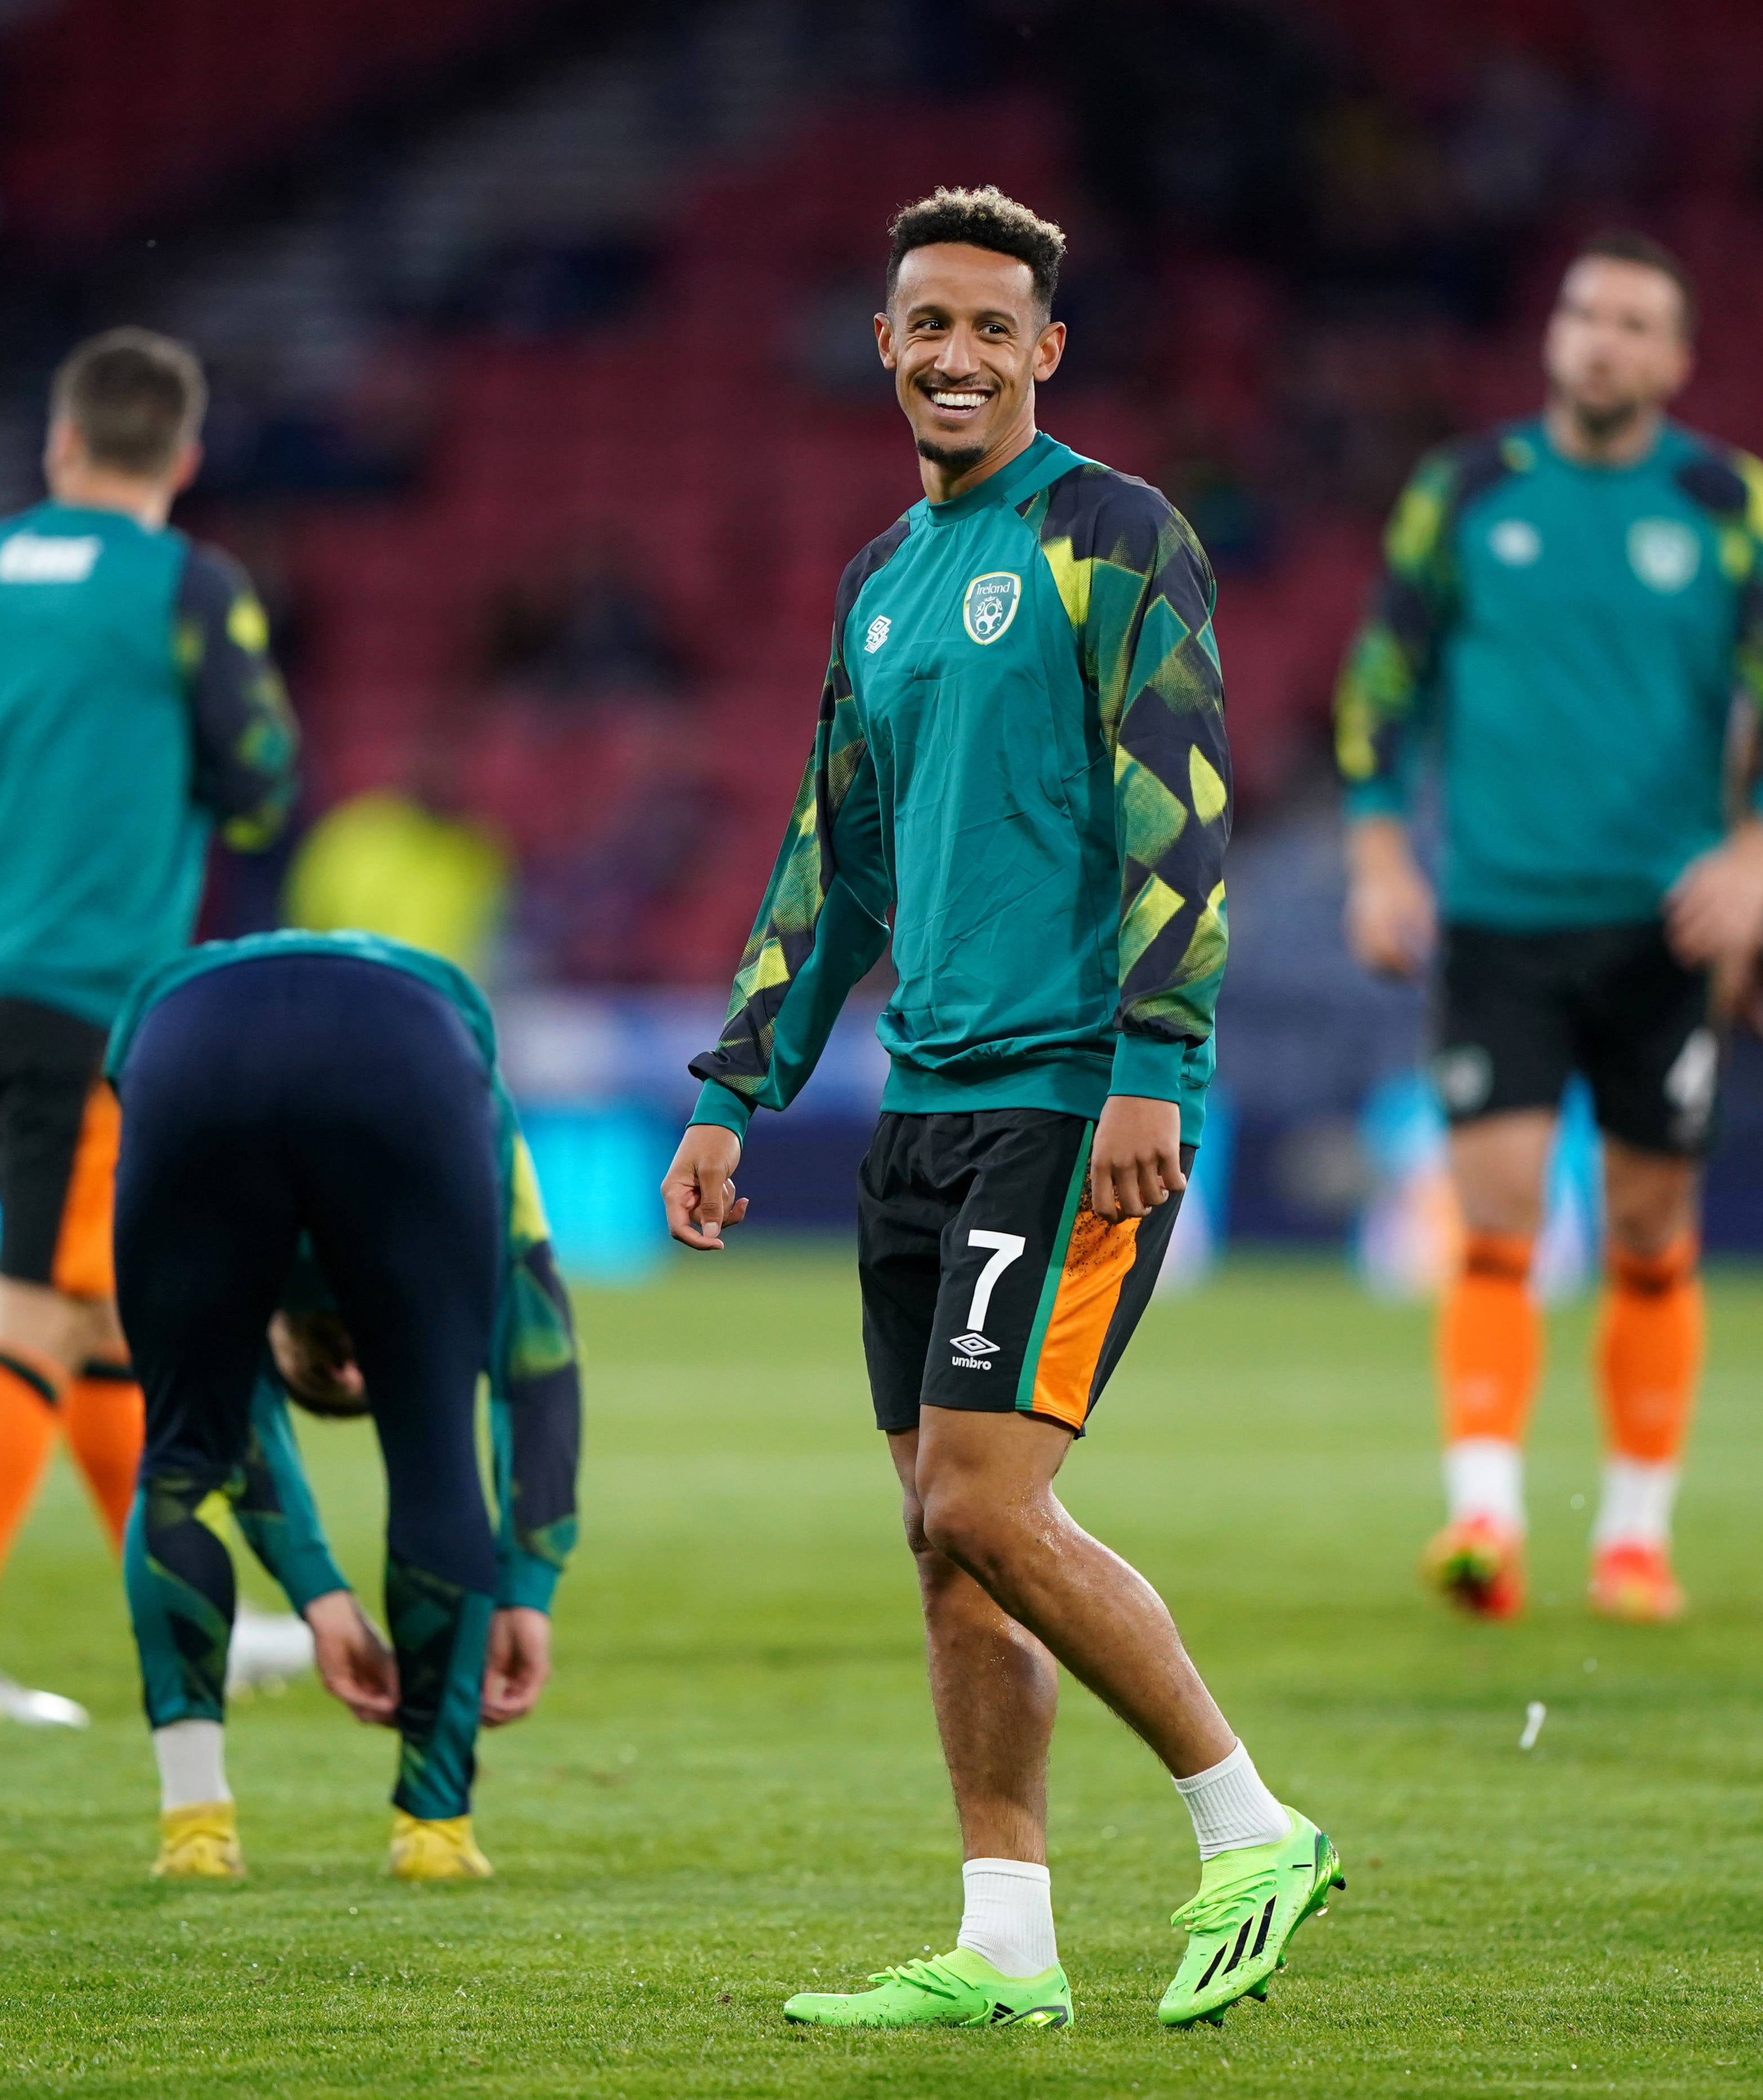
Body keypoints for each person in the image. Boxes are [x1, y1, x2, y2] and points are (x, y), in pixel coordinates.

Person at [662, 187, 1339, 2034]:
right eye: (923, 326)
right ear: (882, 348)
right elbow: (835, 863)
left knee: (983, 1491)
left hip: (1066, 1096)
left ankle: (1249, 1821)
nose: (953, 355)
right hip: (924, 1100)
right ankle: (1009, 1940)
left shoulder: (1112, 535)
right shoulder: (879, 584)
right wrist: (737, 1086)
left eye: (989, 327)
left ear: (1045, 352)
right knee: (939, 1527)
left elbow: (1179, 803)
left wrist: (1153, 1059)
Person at [1333, 231, 1763, 1623]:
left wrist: (1758, 851)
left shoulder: (1725, 499)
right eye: (1580, 312)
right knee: (1491, 1212)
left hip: (1660, 926)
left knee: (1647, 1222)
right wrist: (1377, 854)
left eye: (1632, 322)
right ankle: (1482, 1516)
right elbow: (1381, 679)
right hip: (1495, 913)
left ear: (1673, 360)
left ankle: (1631, 1533)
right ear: (1551, 335)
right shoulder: (1462, 492)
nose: (1598, 338)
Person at [0, 328, 300, 1727]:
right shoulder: (189, 583)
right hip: (89, 996)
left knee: (110, 1316)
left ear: (59, 445)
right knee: (42, 1315)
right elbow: (260, 781)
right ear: (181, 458)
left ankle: (195, 1613)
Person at [105, 930, 579, 1882]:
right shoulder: (481, 1110)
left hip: (187, 1038)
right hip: (407, 1042)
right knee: (435, 1449)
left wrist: (320, 1593)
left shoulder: (251, 1292)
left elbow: (219, 1418)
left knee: (180, 1457)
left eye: (330, 1369)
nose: (358, 1364)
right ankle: (435, 1828)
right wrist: (525, 1578)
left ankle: (194, 1827)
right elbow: (538, 1354)